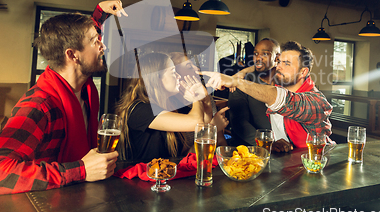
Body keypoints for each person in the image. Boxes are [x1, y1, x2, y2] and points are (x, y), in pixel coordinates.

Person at [0, 0, 127, 196]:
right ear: (72, 55)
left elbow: (81, 35)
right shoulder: (39, 105)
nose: (102, 46)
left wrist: (99, 13)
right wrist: (81, 170)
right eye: (95, 41)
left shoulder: (83, 88)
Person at [202, 41, 334, 153]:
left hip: (318, 162)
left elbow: (283, 99)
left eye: (286, 63)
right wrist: (241, 73)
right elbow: (264, 68)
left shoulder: (316, 101)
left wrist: (236, 81)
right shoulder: (281, 83)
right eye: (279, 62)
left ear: (303, 72)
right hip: (291, 163)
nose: (279, 67)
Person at [115, 52, 228, 162]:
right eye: (173, 72)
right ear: (157, 77)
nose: (178, 76)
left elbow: (189, 152)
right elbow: (196, 122)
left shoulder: (172, 107)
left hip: (167, 176)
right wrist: (196, 98)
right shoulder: (139, 109)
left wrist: (207, 102)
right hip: (141, 178)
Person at [227, 38, 279, 147]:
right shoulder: (242, 83)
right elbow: (239, 122)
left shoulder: (285, 82)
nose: (258, 58)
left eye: (264, 54)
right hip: (249, 151)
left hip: (282, 146)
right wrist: (266, 144)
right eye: (256, 53)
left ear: (277, 58)